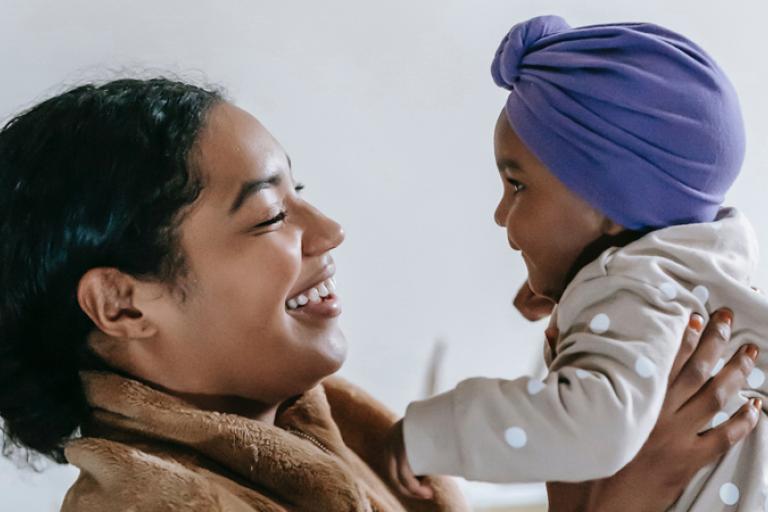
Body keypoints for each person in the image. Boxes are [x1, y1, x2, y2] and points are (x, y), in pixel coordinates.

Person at [0, 78, 758, 512]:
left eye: (305, 193)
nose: (327, 229)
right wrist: (630, 496)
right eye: (269, 216)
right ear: (124, 305)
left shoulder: (343, 438)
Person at [386, 16, 767, 511]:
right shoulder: (697, 267)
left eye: (517, 185)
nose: (501, 214)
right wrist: (579, 286)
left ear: (611, 201)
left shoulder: (632, 289)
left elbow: (595, 429)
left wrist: (432, 431)